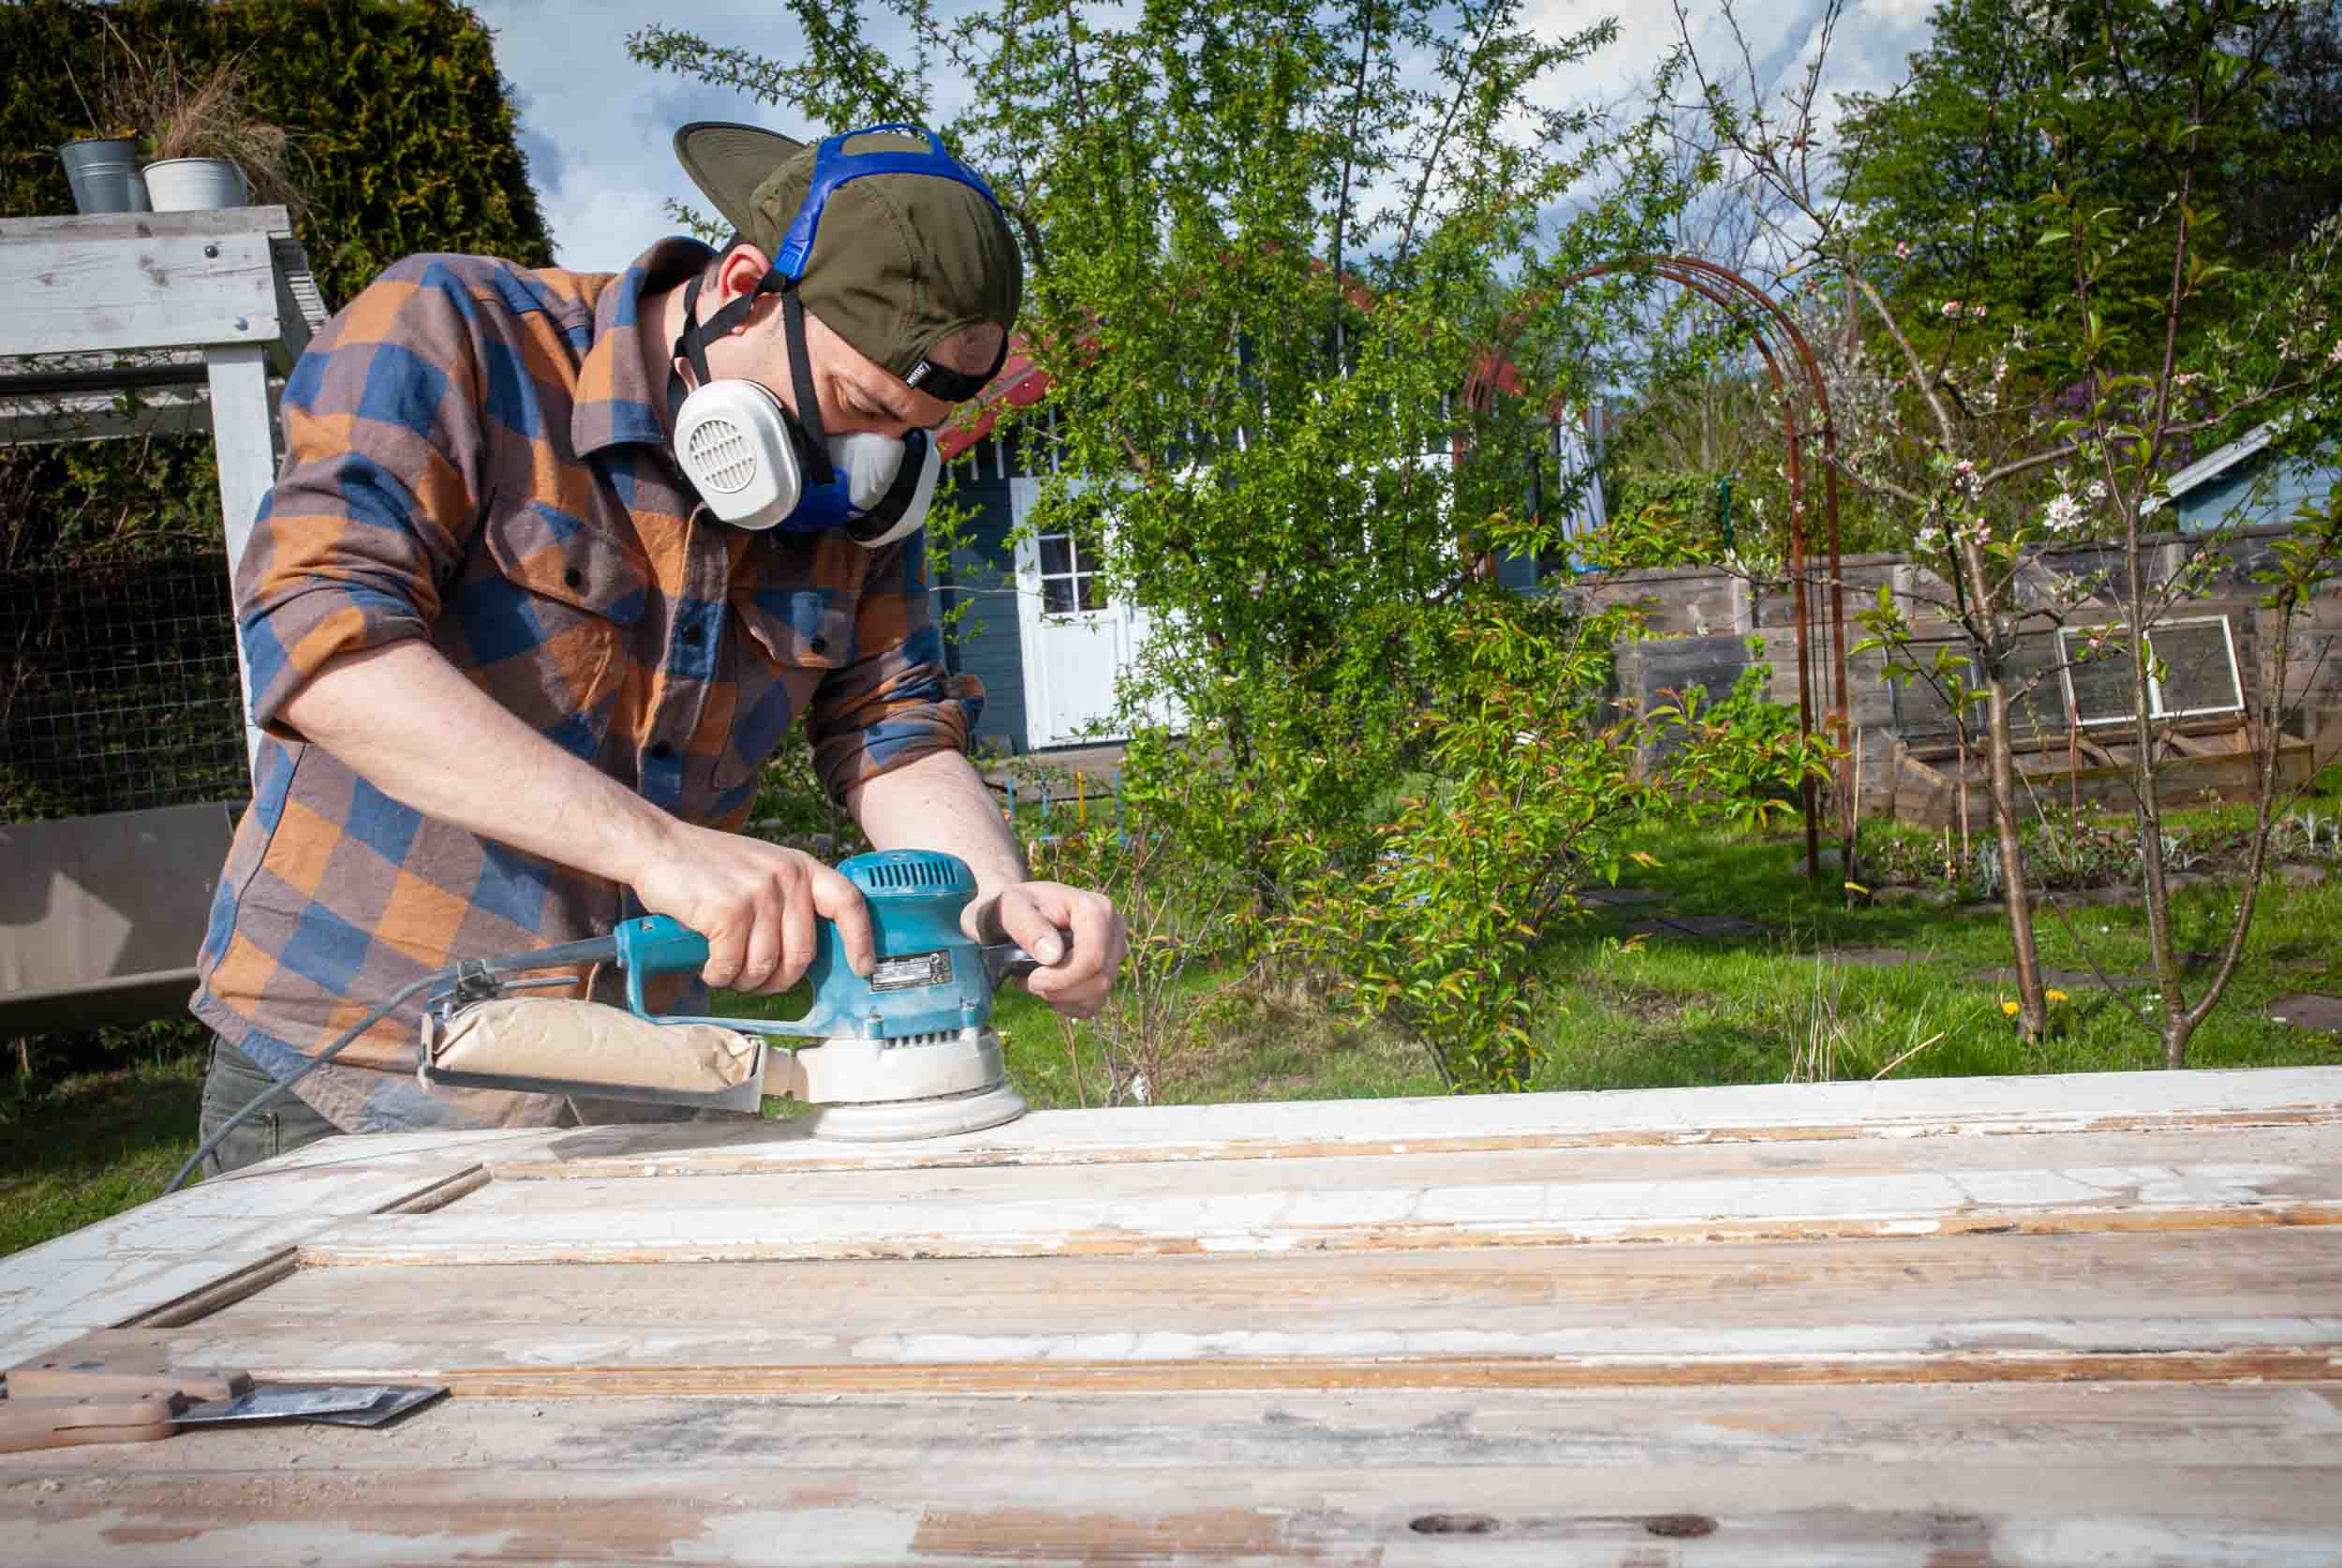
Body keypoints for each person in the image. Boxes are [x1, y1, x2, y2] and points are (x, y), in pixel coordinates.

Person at [188, 123, 1126, 1172]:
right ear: (745, 286)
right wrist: (661, 853)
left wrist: (990, 899)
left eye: (903, 434)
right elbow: (320, 636)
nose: (868, 464)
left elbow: (893, 730)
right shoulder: (455, 330)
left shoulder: (859, 498)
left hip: (644, 1076)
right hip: (357, 1065)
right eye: (860, 407)